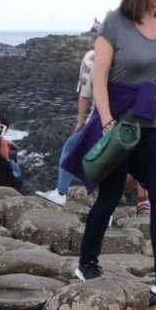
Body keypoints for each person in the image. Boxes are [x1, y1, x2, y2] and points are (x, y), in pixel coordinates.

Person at [61, 0, 156, 303]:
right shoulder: (115, 21)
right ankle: (86, 262)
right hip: (120, 121)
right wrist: (104, 121)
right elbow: (99, 77)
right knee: (111, 194)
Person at [39, 45, 96, 206]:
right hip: (127, 119)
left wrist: (80, 120)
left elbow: (85, 94)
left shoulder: (91, 58)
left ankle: (61, 192)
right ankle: (143, 200)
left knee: (70, 148)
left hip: (98, 120)